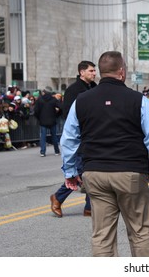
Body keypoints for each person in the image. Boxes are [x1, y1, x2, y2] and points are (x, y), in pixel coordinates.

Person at [61, 51, 149, 257]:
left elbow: (68, 139)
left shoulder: (81, 100)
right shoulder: (139, 100)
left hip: (95, 172)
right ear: (121, 71)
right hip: (130, 171)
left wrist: (70, 170)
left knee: (102, 235)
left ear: (101, 72)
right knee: (140, 231)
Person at [50, 61, 97, 218]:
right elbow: (68, 115)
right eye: (91, 71)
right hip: (79, 138)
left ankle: (89, 206)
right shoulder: (73, 90)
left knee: (90, 171)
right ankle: (58, 197)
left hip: (93, 135)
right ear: (81, 72)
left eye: (94, 70)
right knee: (81, 172)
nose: (94, 73)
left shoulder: (94, 88)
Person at [33, 86, 62, 157]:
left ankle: (43, 152)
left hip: (43, 120)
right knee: (54, 136)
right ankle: (56, 151)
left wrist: (39, 118)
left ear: (44, 91)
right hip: (52, 119)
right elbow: (61, 107)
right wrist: (57, 115)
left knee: (43, 136)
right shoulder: (53, 99)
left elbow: (36, 111)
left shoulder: (40, 99)